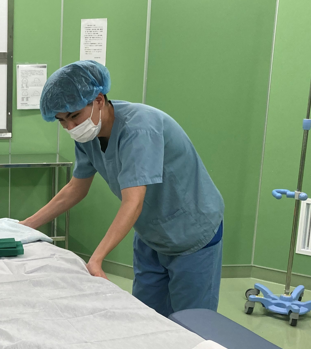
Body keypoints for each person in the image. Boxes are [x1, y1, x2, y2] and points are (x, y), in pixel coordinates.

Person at [21, 60, 224, 317]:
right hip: (151, 234)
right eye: (61, 121)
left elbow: (133, 201)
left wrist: (96, 259)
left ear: (98, 100)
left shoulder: (140, 128)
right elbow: (75, 188)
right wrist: (25, 226)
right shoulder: (88, 135)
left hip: (192, 232)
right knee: (146, 318)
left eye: (74, 116)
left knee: (194, 323)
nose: (70, 127)